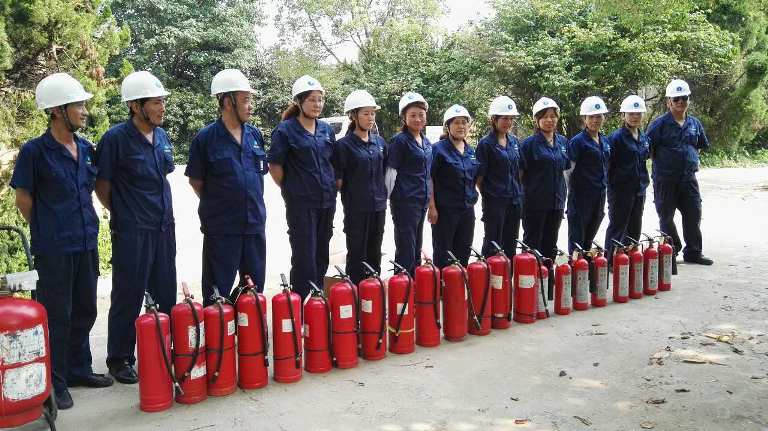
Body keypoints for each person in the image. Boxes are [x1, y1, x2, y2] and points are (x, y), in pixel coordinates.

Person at [10, 73, 113, 409]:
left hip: (85, 242)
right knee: (57, 315)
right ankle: (55, 381)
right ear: (57, 110)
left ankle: (79, 369)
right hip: (54, 248)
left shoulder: (86, 149)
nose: (84, 111)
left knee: (85, 309)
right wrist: (47, 229)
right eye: (78, 105)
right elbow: (23, 199)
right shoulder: (35, 152)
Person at [95, 71, 177, 384]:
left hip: (163, 228)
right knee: (128, 295)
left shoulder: (162, 136)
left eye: (162, 101)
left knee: (165, 293)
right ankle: (120, 359)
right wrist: (126, 214)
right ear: (135, 105)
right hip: (132, 231)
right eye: (155, 102)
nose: (161, 108)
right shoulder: (115, 139)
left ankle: (161, 351)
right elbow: (102, 186)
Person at [186, 69, 268, 304]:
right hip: (221, 230)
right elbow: (196, 181)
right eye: (245, 100)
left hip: (254, 226)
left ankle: (248, 329)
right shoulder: (205, 139)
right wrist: (221, 206)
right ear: (227, 102)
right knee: (217, 295)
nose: (250, 106)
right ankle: (221, 330)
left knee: (253, 294)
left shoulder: (254, 135)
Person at [267, 75, 336, 299]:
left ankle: (317, 300)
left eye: (320, 99)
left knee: (321, 253)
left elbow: (332, 162)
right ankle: (300, 304)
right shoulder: (285, 130)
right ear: (299, 102)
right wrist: (292, 190)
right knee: (304, 256)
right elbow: (275, 166)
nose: (317, 104)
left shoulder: (326, 130)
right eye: (311, 100)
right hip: (301, 205)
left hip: (327, 201)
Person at [647, 78, 713, 271]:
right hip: (665, 179)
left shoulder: (694, 124)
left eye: (684, 98)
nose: (680, 102)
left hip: (688, 179)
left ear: (688, 100)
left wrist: (689, 160)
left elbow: (699, 146)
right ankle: (671, 251)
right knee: (666, 216)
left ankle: (693, 252)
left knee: (693, 213)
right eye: (676, 99)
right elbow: (648, 149)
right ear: (669, 102)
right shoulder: (659, 125)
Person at [333, 90, 387, 284]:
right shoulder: (343, 146)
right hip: (356, 210)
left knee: (375, 253)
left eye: (373, 113)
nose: (371, 117)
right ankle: (355, 295)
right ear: (353, 116)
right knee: (357, 255)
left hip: (379, 207)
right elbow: (338, 180)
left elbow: (384, 171)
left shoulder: (380, 143)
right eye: (366, 113)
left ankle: (374, 294)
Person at [385, 92, 433, 274]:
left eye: (421, 115)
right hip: (405, 202)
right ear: (404, 118)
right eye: (412, 115)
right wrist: (389, 198)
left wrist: (430, 201)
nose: (417, 119)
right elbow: (391, 172)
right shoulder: (399, 141)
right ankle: (403, 286)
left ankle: (415, 284)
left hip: (421, 201)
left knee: (416, 247)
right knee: (406, 248)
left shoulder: (426, 142)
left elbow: (428, 174)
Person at [519, 97, 569, 260]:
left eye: (553, 116)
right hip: (535, 204)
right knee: (532, 245)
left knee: (551, 243)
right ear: (536, 119)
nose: (549, 120)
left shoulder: (563, 142)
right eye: (545, 116)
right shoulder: (528, 144)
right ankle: (530, 275)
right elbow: (519, 175)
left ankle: (549, 274)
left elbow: (565, 170)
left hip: (557, 203)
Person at [429, 105, 479, 268]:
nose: (461, 126)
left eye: (464, 122)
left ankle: (460, 282)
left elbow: (475, 178)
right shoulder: (437, 149)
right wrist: (432, 207)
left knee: (464, 251)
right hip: (445, 211)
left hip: (467, 210)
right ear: (448, 126)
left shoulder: (471, 151)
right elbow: (429, 178)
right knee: (443, 253)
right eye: (456, 122)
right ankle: (442, 283)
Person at [476, 96, 523, 258]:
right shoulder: (485, 144)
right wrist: (490, 195)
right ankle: (490, 271)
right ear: (494, 119)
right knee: (493, 243)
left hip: (514, 201)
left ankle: (508, 272)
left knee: (511, 242)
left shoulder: (514, 141)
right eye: (504, 118)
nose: (508, 122)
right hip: (495, 202)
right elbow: (479, 177)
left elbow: (519, 170)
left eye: (511, 119)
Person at [604, 95, 650, 259]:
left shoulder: (644, 138)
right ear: (623, 115)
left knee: (635, 227)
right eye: (631, 113)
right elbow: (607, 163)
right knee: (618, 227)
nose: (635, 117)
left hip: (639, 189)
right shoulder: (615, 138)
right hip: (620, 191)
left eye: (638, 113)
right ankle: (610, 260)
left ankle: (630, 258)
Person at [566, 96, 610, 254]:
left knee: (590, 236)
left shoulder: (604, 141)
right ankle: (575, 266)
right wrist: (573, 192)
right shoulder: (577, 142)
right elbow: (568, 172)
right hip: (581, 198)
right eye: (591, 117)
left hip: (599, 195)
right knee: (577, 238)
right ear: (584, 119)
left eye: (598, 116)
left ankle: (586, 265)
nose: (595, 120)